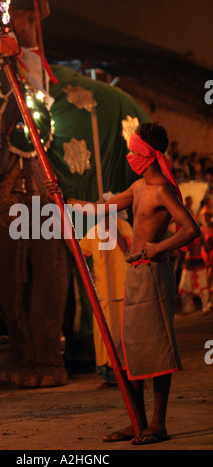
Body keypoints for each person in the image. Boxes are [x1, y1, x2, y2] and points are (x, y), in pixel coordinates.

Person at [46, 121, 201, 445]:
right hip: (136, 276)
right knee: (130, 351)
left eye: (134, 150)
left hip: (154, 275)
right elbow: (101, 208)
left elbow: (190, 228)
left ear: (147, 153)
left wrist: (157, 248)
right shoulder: (137, 188)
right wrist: (66, 199)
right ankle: (138, 421)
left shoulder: (161, 190)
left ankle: (158, 425)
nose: (129, 155)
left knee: (155, 352)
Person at [79, 208, 132, 387]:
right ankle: (109, 374)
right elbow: (80, 252)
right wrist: (66, 231)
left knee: (122, 334)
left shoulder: (125, 227)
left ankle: (127, 373)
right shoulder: (94, 231)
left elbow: (126, 247)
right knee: (103, 334)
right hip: (103, 291)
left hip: (121, 289)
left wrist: (112, 227)